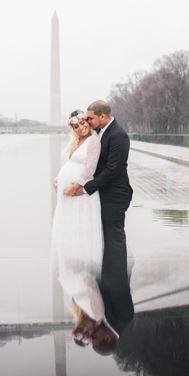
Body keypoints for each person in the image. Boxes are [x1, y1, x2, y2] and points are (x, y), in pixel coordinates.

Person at [64, 100, 135, 345]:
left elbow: (113, 169)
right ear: (106, 338)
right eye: (96, 338)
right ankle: (112, 271)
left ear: (103, 117)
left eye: (91, 118)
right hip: (106, 194)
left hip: (115, 194)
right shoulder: (120, 320)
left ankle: (116, 273)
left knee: (114, 237)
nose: (88, 121)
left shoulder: (119, 136)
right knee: (108, 236)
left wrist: (85, 188)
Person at [51, 109, 105, 342]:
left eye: (83, 124)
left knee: (81, 226)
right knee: (69, 227)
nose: (82, 128)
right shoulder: (95, 315)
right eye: (77, 126)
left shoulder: (93, 141)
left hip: (80, 194)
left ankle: (77, 258)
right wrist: (59, 178)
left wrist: (76, 185)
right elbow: (71, 164)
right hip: (69, 194)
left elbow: (90, 167)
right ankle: (73, 257)